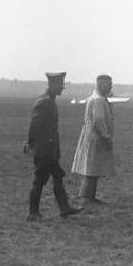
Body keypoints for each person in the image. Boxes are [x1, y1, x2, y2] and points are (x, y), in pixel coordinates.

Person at [23, 72, 83, 221]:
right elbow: (34, 125)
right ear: (52, 85)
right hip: (44, 150)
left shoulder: (50, 100)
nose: (62, 88)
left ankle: (64, 208)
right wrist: (30, 144)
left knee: (57, 177)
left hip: (50, 149)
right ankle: (33, 213)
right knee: (39, 180)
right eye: (60, 85)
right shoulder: (44, 102)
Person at [71, 74, 116, 202]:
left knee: (92, 169)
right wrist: (107, 137)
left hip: (94, 137)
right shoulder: (98, 100)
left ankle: (89, 196)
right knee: (91, 170)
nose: (110, 87)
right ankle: (86, 196)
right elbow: (98, 121)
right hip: (96, 139)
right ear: (100, 84)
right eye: (108, 84)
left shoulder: (98, 98)